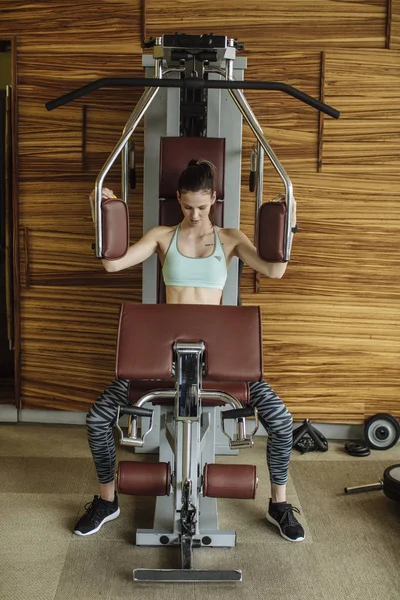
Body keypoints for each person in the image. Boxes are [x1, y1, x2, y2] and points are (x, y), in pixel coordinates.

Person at [74, 159, 304, 542]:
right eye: (186, 206)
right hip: (161, 362)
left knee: (281, 422)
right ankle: (107, 499)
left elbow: (275, 271)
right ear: (178, 200)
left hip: (218, 363)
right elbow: (113, 265)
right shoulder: (162, 236)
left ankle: (279, 504)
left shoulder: (230, 239)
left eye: (202, 206)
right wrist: (99, 211)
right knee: (98, 419)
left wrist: (289, 216)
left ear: (214, 198)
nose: (195, 215)